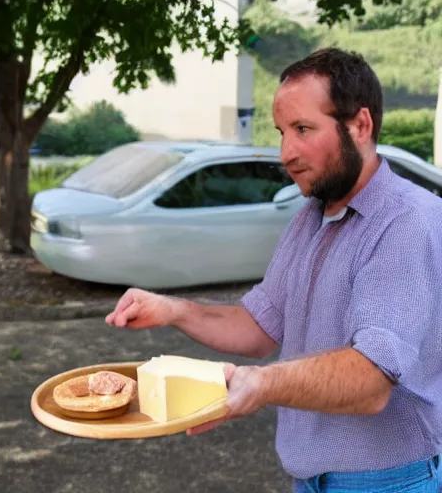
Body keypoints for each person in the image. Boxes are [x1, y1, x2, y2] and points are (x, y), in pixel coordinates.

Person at [105, 48, 442, 492]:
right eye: (282, 131)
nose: (286, 152)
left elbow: (371, 379)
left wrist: (260, 384)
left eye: (303, 129)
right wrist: (172, 310)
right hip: (309, 479)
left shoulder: (406, 222)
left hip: (389, 482)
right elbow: (258, 326)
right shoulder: (312, 215)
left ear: (360, 126)